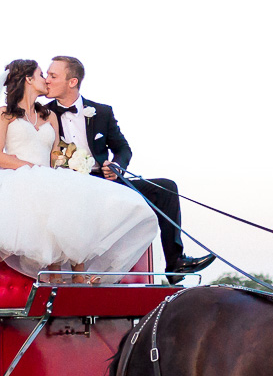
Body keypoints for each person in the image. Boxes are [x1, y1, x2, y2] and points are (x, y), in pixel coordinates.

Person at [0, 60, 161, 279]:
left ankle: (79, 273)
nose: (46, 80)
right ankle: (58, 275)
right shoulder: (4, 114)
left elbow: (54, 153)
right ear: (29, 79)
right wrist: (29, 167)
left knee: (77, 200)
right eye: (42, 75)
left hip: (48, 176)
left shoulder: (49, 115)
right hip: (19, 176)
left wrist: (68, 164)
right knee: (47, 206)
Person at [43, 55, 215, 284]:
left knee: (166, 188)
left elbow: (123, 148)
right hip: (67, 185)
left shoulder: (102, 112)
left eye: (53, 76)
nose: (47, 80)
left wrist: (117, 166)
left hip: (104, 180)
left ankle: (176, 262)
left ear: (72, 82)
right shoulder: (43, 114)